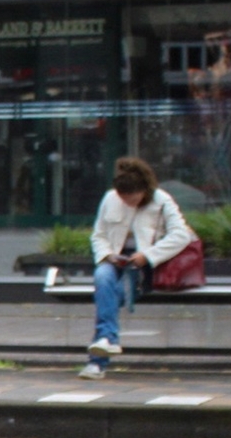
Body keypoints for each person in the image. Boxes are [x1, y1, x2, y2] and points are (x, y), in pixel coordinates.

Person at [80, 155, 189, 381]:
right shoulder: (110, 198)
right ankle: (108, 341)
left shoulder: (161, 201)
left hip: (143, 267)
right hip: (114, 260)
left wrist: (148, 256)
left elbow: (182, 235)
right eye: (123, 196)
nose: (127, 201)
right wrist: (107, 255)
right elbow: (98, 235)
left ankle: (100, 355)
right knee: (102, 277)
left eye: (132, 197)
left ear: (143, 189)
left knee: (113, 292)